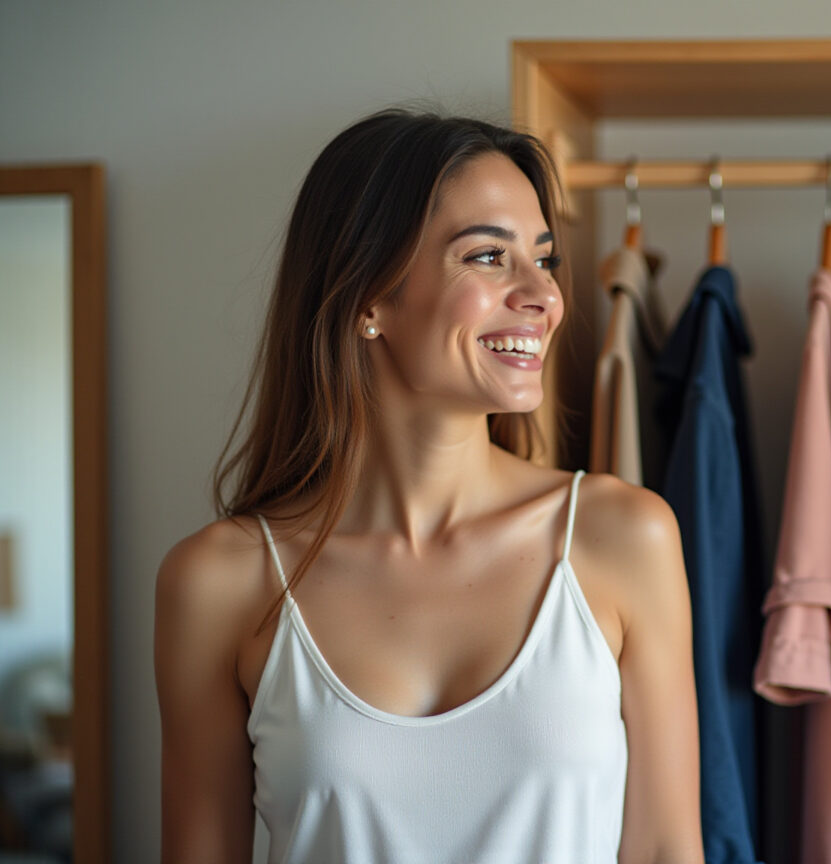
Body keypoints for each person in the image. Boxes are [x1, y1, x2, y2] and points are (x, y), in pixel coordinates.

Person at [154, 109, 704, 863]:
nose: (544, 296)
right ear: (368, 298)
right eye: (488, 256)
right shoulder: (218, 582)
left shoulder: (624, 537)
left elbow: (669, 849)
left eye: (543, 258)